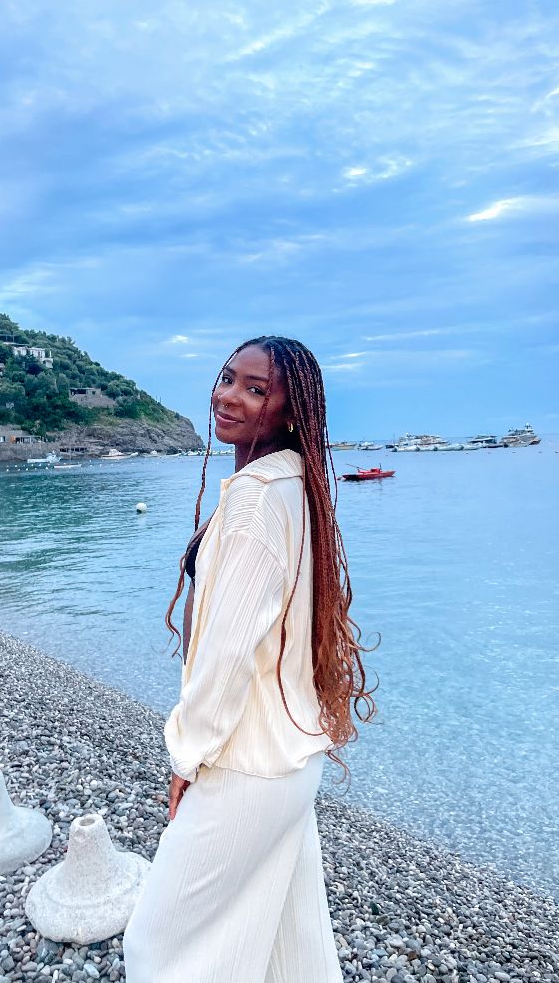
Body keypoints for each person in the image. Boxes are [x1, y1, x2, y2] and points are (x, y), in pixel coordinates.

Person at [123, 335, 378, 983]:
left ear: (291, 413)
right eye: (227, 377)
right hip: (290, 763)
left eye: (255, 388)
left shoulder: (255, 498)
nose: (227, 395)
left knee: (157, 948)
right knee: (290, 953)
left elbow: (226, 655)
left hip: (246, 766)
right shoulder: (297, 486)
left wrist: (187, 754)